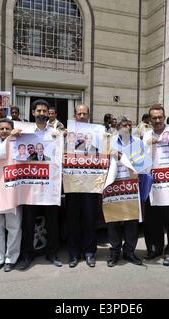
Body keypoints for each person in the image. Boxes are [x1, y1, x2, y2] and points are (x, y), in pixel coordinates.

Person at [14, 99, 63, 269]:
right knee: (28, 221)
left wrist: (62, 138)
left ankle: (52, 253)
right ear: (33, 113)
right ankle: (27, 254)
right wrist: (13, 136)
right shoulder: (24, 132)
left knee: (52, 221)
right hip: (30, 186)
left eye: (44, 111)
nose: (42, 113)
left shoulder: (57, 133)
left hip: (50, 185)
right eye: (39, 111)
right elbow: (15, 152)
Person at [143, 104, 169, 266]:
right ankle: (155, 248)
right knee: (152, 219)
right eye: (154, 118)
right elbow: (140, 158)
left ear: (164, 117)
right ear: (150, 119)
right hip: (151, 183)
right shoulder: (146, 136)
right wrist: (148, 145)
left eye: (160, 117)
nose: (158, 120)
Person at [65, 104, 101, 268]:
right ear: (75, 115)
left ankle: (89, 252)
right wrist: (59, 136)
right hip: (72, 183)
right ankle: (73, 254)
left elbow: (104, 153)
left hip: (91, 184)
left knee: (89, 219)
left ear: (88, 115)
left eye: (84, 113)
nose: (81, 116)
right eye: (79, 114)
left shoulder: (98, 133)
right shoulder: (66, 133)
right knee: (72, 220)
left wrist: (106, 139)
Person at [0, 118, 23, 272]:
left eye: (7, 128)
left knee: (13, 226)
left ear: (12, 129)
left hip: (11, 189)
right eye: (1, 129)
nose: (4, 131)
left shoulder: (18, 144)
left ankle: (11, 258)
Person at [107, 116, 143, 267]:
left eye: (129, 124)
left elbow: (143, 163)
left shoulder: (138, 142)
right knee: (113, 219)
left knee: (131, 220)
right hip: (113, 186)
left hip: (131, 186)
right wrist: (110, 154)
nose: (127, 127)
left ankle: (129, 251)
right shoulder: (110, 141)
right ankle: (115, 250)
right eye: (123, 124)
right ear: (118, 127)